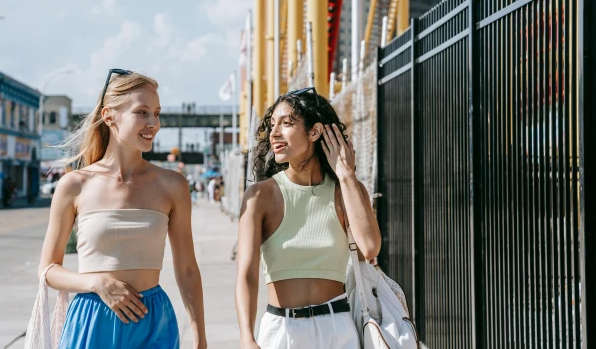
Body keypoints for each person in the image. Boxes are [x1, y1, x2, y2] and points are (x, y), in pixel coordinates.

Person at [35, 69, 207, 348]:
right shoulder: (74, 185)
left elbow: (187, 269)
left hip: (154, 322)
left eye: (157, 113)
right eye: (142, 112)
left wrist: (200, 338)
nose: (153, 123)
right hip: (92, 319)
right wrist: (96, 283)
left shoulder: (172, 185)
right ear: (109, 116)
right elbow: (48, 270)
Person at [235, 87, 381, 348]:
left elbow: (370, 248)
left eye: (286, 123)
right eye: (272, 125)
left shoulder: (346, 191)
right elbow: (247, 274)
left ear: (314, 132)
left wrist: (347, 176)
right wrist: (247, 336)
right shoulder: (260, 196)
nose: (275, 133)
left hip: (339, 329)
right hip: (282, 330)